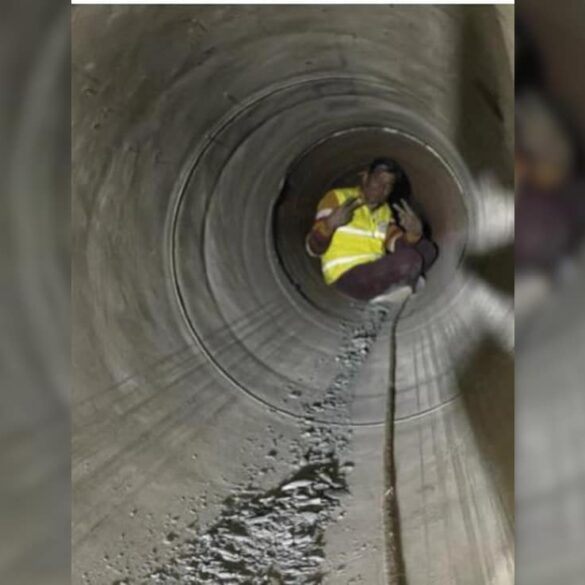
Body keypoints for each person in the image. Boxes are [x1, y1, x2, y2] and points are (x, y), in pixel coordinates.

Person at [306, 157, 438, 303]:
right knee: (409, 260)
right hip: (346, 276)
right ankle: (401, 284)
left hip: (375, 270)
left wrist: (414, 233)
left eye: (389, 185)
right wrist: (330, 224)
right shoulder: (337, 197)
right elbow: (313, 249)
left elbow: (397, 245)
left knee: (427, 249)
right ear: (366, 177)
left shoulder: (385, 211)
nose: (382, 187)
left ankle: (396, 285)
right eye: (378, 180)